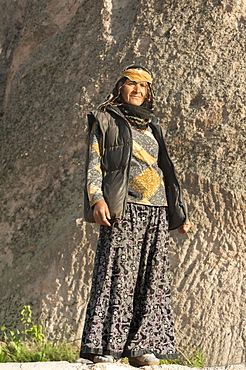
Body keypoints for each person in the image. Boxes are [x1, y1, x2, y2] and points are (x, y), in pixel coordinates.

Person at [80, 65, 191, 367]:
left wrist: (178, 214)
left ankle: (142, 348)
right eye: (132, 85)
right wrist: (96, 199)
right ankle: (107, 347)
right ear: (120, 88)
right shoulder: (104, 121)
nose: (138, 91)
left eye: (143, 87)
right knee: (118, 276)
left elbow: (167, 173)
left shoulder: (155, 127)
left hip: (156, 212)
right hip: (123, 209)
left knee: (151, 279)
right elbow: (94, 165)